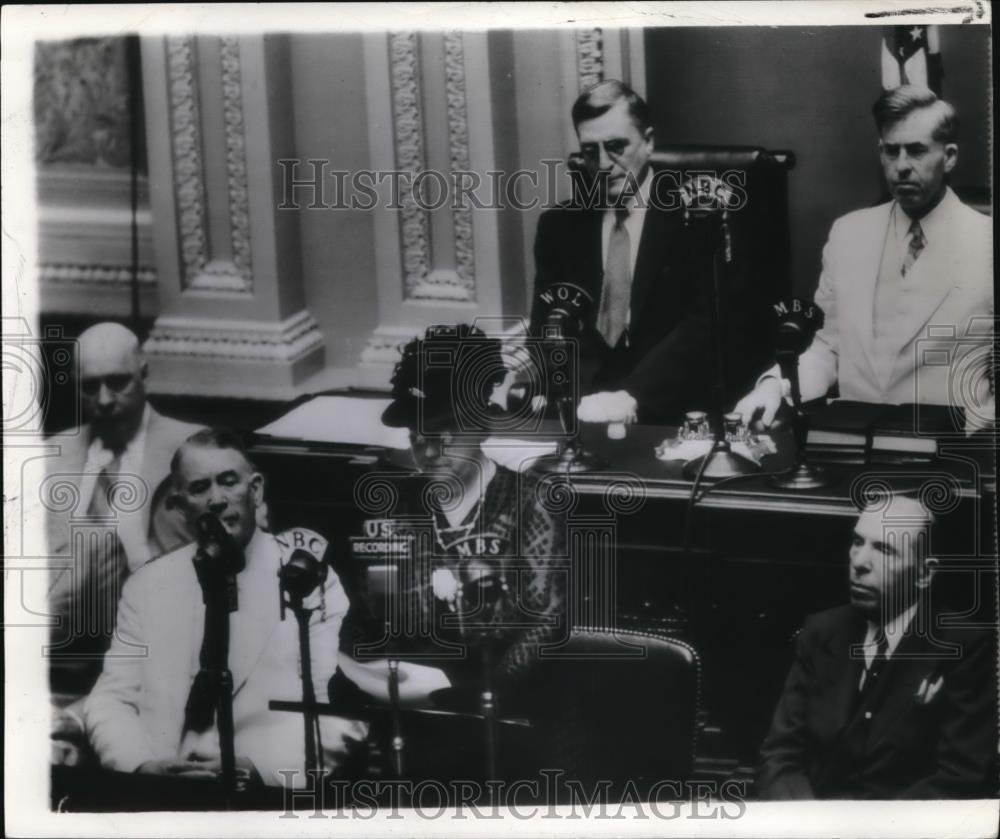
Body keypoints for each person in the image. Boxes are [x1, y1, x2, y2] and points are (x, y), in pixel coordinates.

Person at [337, 325, 567, 778]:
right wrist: (372, 667)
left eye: (442, 433)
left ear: (478, 423)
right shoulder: (397, 512)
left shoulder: (530, 504)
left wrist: (472, 695)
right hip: (405, 723)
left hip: (503, 728)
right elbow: (369, 620)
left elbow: (546, 624)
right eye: (416, 437)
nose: (427, 451)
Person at [84, 428, 365, 787]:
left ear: (256, 489)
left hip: (264, 799)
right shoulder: (147, 586)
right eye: (200, 488)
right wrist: (140, 767)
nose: (217, 499)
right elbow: (112, 698)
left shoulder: (310, 579)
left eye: (228, 482)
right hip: (165, 796)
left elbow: (343, 710)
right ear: (180, 506)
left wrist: (261, 769)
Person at [735, 86, 993, 432]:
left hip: (953, 450)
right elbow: (827, 349)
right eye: (891, 151)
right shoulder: (848, 234)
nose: (901, 166)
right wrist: (774, 387)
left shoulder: (987, 242)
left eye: (916, 151)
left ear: (949, 157)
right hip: (853, 447)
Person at [529, 79, 760, 426]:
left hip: (671, 411)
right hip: (585, 414)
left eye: (616, 147)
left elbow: (708, 326)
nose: (604, 165)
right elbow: (546, 328)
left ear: (649, 142)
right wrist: (575, 403)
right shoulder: (559, 226)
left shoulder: (701, 216)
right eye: (591, 152)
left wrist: (632, 398)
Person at [757, 489, 997, 799]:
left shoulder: (965, 647)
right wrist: (809, 823)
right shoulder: (821, 632)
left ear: (924, 573)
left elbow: (960, 777)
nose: (860, 561)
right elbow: (779, 755)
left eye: (883, 549)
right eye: (858, 542)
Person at [46, 323, 202, 761]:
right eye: (89, 387)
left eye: (118, 382)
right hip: (64, 662)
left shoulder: (193, 451)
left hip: (162, 665)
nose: (104, 401)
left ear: (145, 373)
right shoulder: (48, 459)